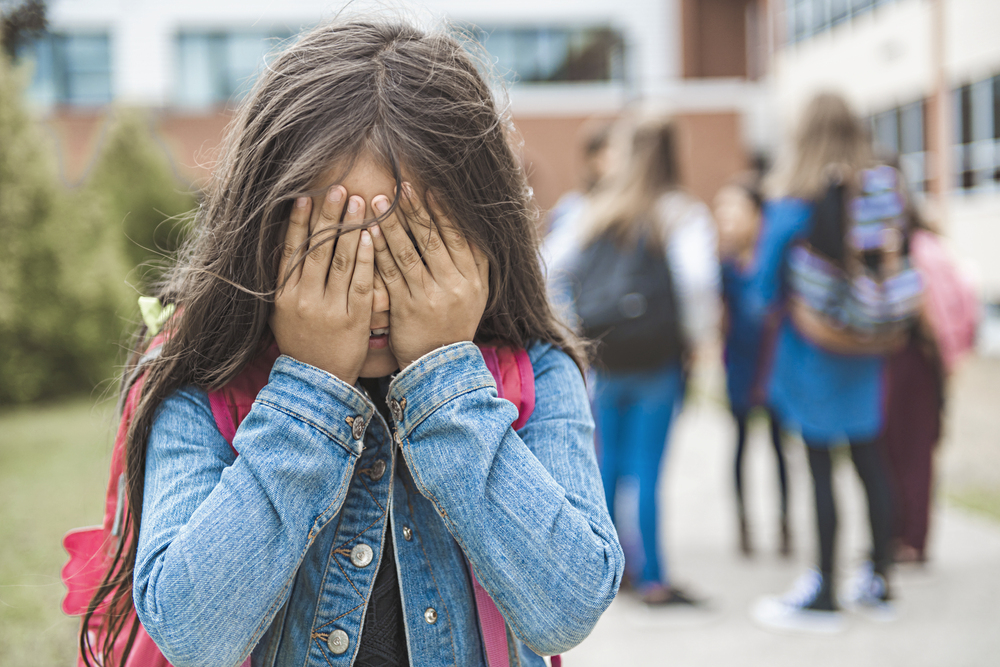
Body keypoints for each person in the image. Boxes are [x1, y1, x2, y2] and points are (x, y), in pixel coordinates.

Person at [78, 19, 624, 667]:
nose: (371, 291)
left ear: (485, 237)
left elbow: (567, 607)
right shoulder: (201, 384)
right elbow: (192, 632)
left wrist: (446, 385)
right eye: (332, 249)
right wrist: (310, 389)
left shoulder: (535, 372)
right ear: (261, 235)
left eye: (411, 248)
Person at [748, 93, 897, 633]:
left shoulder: (793, 204)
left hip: (811, 357)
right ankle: (880, 581)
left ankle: (825, 593)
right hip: (867, 353)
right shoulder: (875, 193)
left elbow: (762, 289)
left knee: (819, 469)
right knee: (869, 462)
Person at [560, 115, 720, 605]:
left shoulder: (592, 210)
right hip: (656, 357)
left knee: (606, 464)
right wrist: (698, 336)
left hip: (606, 354)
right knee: (648, 468)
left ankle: (606, 573)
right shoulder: (680, 213)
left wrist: (570, 332)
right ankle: (653, 577)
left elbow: (552, 269)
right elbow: (696, 283)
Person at [882, 210, 979, 564]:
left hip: (918, 358)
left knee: (911, 451)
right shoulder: (932, 247)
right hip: (925, 360)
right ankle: (902, 534)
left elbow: (930, 313)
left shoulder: (920, 253)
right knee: (907, 449)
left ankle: (910, 539)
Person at [714, 174, 791, 558]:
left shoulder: (775, 260)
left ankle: (785, 524)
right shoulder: (726, 265)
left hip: (775, 367)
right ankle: (744, 525)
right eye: (721, 210)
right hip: (741, 366)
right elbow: (722, 317)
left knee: (780, 447)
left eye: (734, 209)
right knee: (742, 443)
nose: (725, 217)